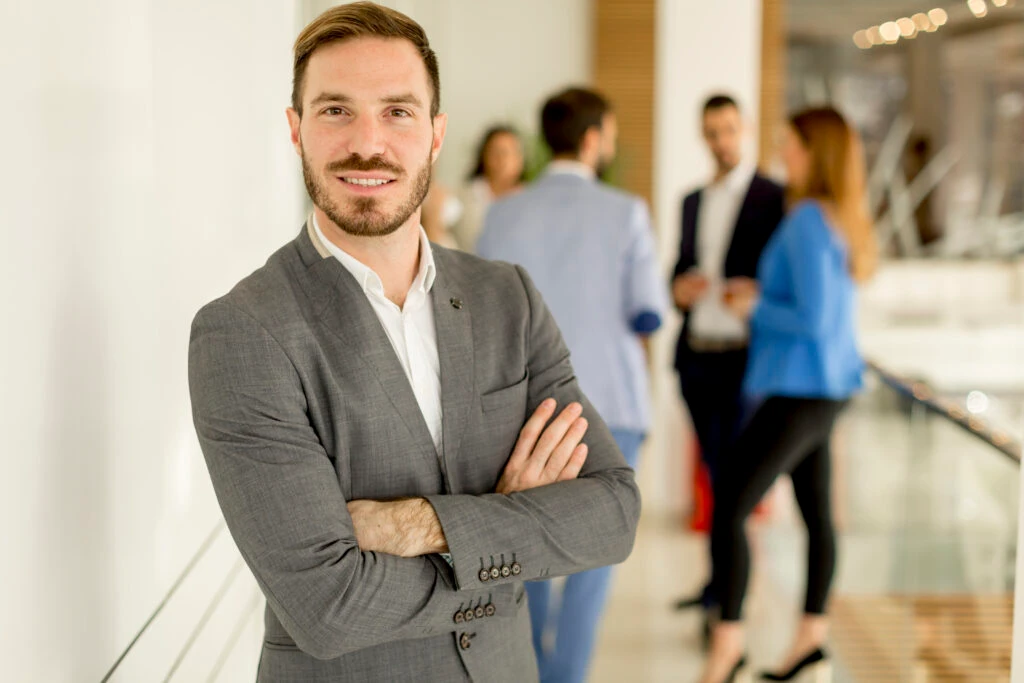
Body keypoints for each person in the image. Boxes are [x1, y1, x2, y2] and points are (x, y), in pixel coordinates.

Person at [187, 5, 641, 682]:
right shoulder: (244, 331)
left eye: (398, 111)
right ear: (296, 130)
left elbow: (611, 514)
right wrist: (514, 523)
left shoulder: (505, 296)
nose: (367, 143)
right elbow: (327, 605)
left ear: (435, 133)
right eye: (336, 110)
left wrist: (419, 523)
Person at [477, 87, 668, 683]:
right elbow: (649, 313)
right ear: (592, 139)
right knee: (596, 558)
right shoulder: (626, 211)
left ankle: (528, 666)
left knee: (523, 550)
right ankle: (567, 675)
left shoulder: (504, 211)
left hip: (521, 411)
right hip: (611, 402)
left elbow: (482, 314)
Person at [697, 106, 877, 683]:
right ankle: (809, 642)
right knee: (817, 513)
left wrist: (753, 307)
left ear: (813, 151)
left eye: (789, 144)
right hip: (824, 387)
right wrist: (763, 296)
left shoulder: (805, 220)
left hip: (802, 388)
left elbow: (814, 320)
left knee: (729, 506)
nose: (782, 155)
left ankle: (727, 648)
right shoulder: (832, 217)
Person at [670, 95, 785, 626]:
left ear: (747, 130)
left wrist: (756, 295)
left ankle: (730, 595)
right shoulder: (692, 200)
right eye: (711, 132)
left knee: (735, 483)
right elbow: (679, 269)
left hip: (746, 360)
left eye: (729, 131)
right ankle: (718, 585)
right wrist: (680, 289)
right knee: (716, 477)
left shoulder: (773, 198)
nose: (720, 142)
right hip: (697, 357)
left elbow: (783, 283)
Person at [451, 125, 526, 252]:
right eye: (496, 152)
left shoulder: (530, 200)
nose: (502, 159)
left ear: (520, 159)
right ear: (484, 156)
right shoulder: (463, 197)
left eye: (508, 152)